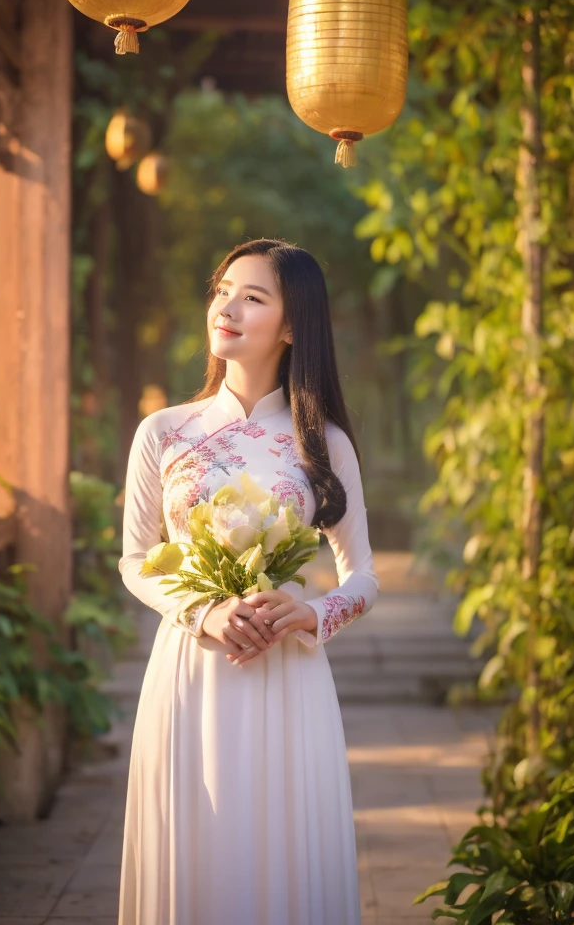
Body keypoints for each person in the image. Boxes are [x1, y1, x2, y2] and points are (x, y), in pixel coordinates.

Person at [117, 238, 380, 925]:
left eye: (252, 296)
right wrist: (203, 613)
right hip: (192, 669)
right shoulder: (164, 434)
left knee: (277, 853)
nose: (225, 306)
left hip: (286, 675)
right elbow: (136, 559)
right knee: (195, 856)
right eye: (221, 290)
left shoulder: (322, 442)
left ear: (292, 327)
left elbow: (363, 577)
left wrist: (308, 614)